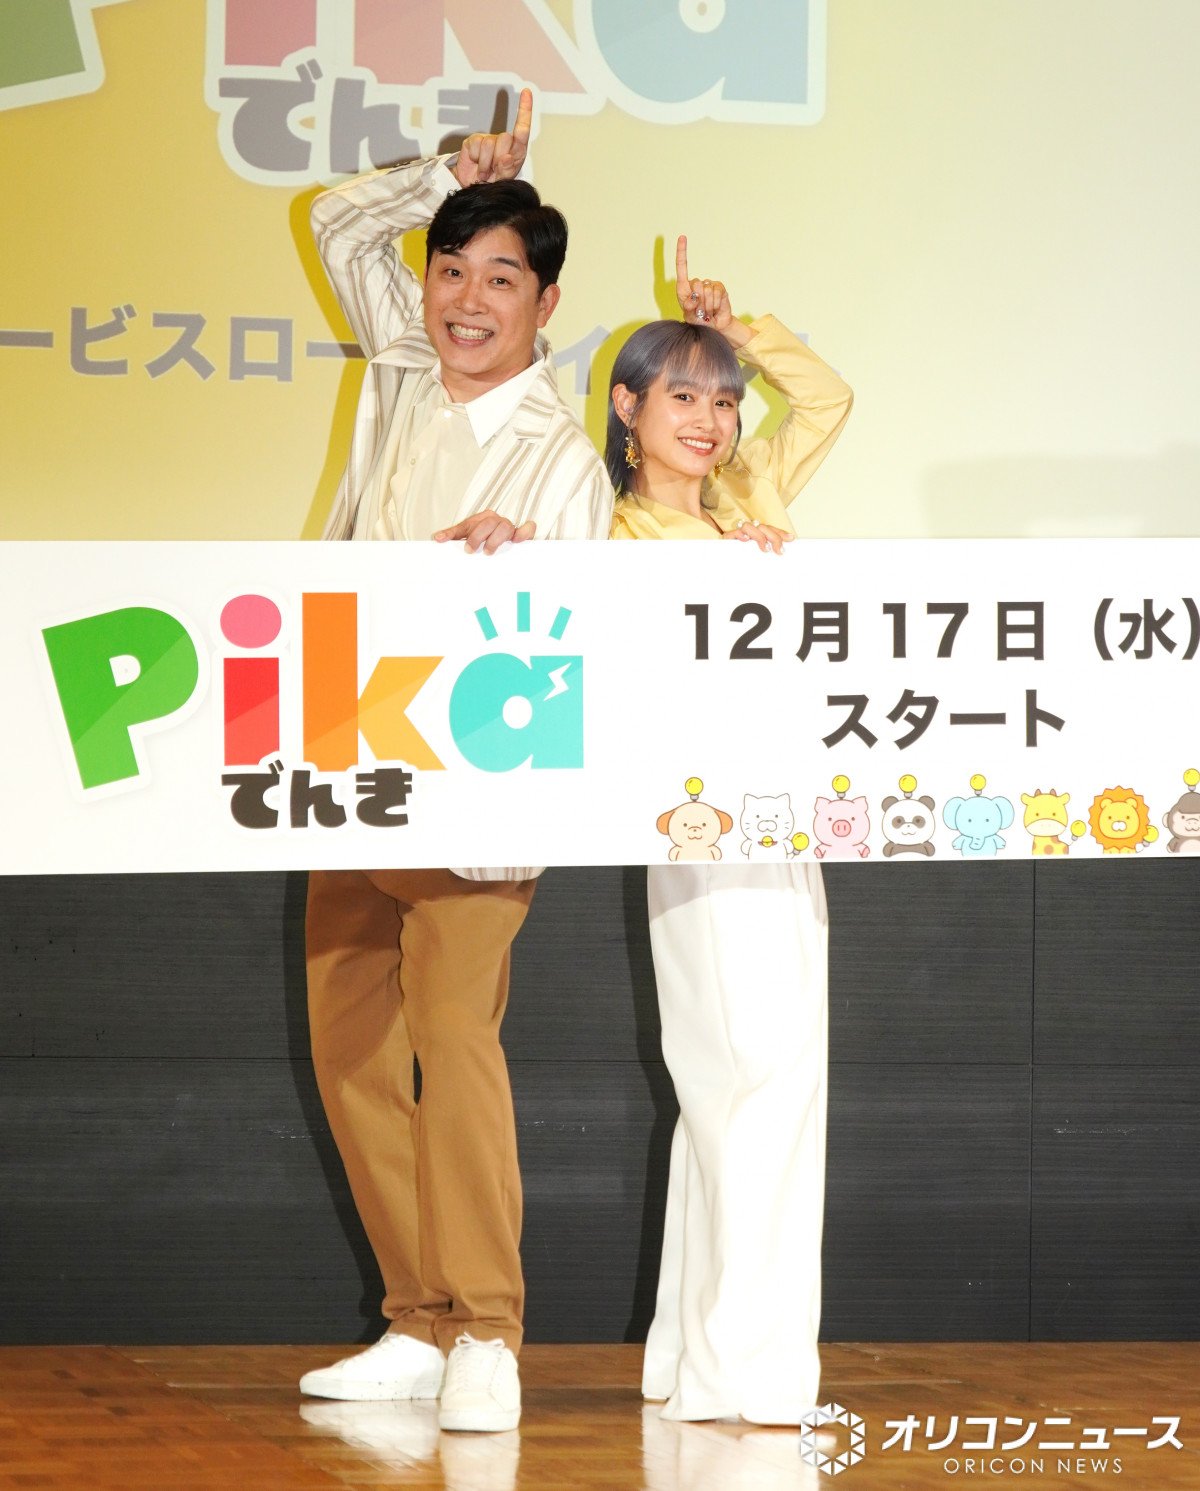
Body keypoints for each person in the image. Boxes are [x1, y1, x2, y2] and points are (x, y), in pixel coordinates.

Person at [300, 90, 612, 1433]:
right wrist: (445, 175)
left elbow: (581, 626)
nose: (466, 300)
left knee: (451, 1040)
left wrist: (526, 568)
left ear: (546, 303)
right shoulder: (401, 371)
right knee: (352, 1046)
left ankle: (488, 1326)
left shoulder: (564, 460)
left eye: (500, 278)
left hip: (476, 786)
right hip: (346, 754)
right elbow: (336, 222)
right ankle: (417, 1319)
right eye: (451, 270)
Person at [608, 239, 853, 1424]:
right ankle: (742, 1369)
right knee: (744, 1078)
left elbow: (829, 399)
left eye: (722, 400)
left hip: (785, 814)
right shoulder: (606, 532)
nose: (709, 422)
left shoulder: (750, 499)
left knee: (770, 1077)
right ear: (627, 409)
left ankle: (696, 1361)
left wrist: (738, 327)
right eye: (683, 397)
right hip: (694, 820)